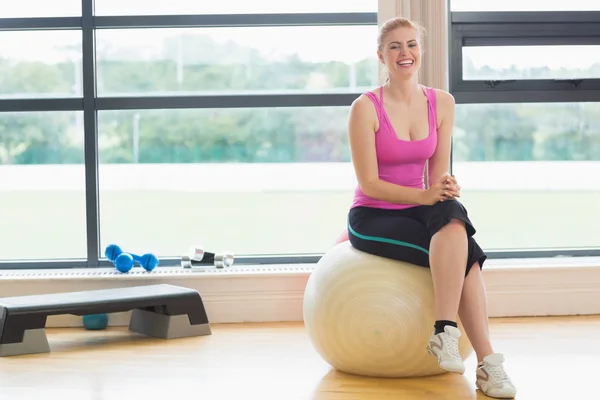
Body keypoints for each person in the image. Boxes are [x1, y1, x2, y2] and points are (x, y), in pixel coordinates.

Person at [342, 17, 517, 399]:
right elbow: (370, 183)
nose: (405, 53)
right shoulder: (365, 108)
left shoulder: (442, 103)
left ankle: (444, 334)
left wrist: (446, 186)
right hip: (373, 214)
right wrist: (426, 196)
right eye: (395, 47)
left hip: (419, 206)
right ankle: (488, 365)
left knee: (454, 218)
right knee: (467, 255)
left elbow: (437, 175)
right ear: (381, 56)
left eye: (411, 45)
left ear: (420, 51)